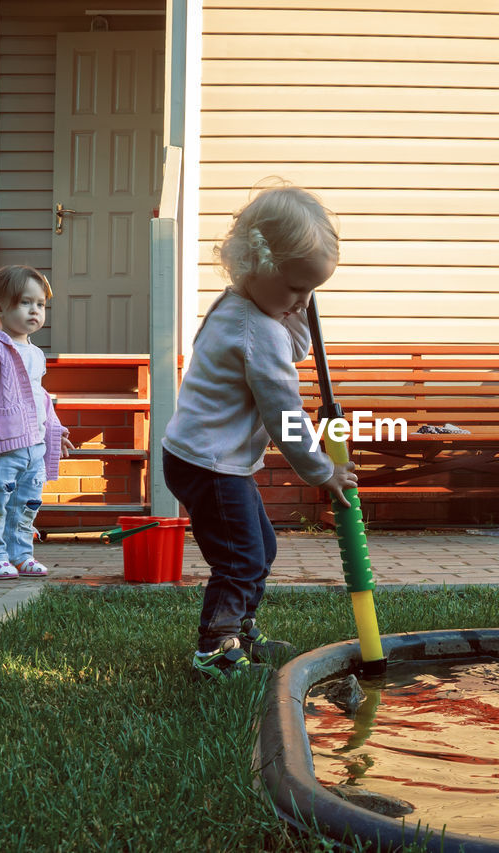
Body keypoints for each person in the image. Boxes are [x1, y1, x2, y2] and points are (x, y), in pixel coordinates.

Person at [162, 183, 357, 681]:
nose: (304, 300)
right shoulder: (258, 332)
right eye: (296, 288)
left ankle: (241, 631)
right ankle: (215, 651)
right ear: (258, 265)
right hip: (209, 464)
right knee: (241, 558)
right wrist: (322, 471)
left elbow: (293, 350)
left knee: (259, 548)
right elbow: (283, 412)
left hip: (202, 456)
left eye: (311, 290)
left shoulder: (241, 307)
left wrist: (295, 309)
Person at [0, 265, 74, 579]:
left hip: (34, 447)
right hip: (0, 447)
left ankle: (20, 554)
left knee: (26, 505)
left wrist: (54, 429)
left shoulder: (36, 353)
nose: (35, 311)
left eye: (40, 305)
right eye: (25, 303)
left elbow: (39, 396)